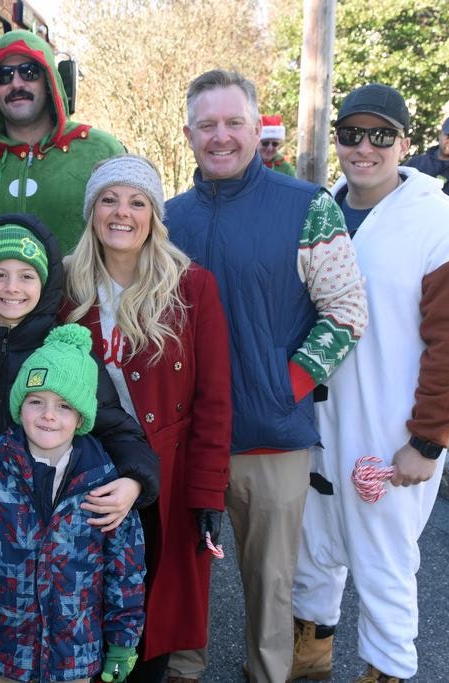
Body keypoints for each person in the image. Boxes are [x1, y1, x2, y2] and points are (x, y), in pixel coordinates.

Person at [164, 70, 368, 683]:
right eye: (207, 125)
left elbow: (347, 313)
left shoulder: (307, 206)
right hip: (186, 433)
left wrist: (288, 385)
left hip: (269, 433)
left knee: (271, 580)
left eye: (233, 123)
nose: (220, 136)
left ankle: (268, 674)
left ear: (257, 128)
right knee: (181, 566)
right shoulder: (168, 218)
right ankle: (180, 667)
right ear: (188, 134)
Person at [290, 84, 449, 683]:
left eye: (381, 135)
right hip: (319, 425)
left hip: (387, 433)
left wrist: (428, 441)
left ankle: (388, 671)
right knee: (313, 555)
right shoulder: (323, 206)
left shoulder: (445, 229)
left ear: (406, 142)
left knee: (383, 567)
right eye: (351, 133)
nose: (364, 148)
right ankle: (309, 663)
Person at [62, 154, 232, 683]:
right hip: (85, 474)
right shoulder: (65, 286)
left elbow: (213, 400)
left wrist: (206, 494)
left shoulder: (191, 287)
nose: (122, 213)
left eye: (137, 202)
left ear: (154, 216)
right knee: (84, 610)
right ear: (92, 212)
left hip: (166, 478)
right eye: (109, 200)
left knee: (150, 619)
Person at [0, 324, 146, 683]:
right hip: (7, 655)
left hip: (76, 659)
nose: (49, 415)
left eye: (64, 406)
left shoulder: (104, 485)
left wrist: (123, 643)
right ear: (20, 406)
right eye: (37, 401)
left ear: (81, 418)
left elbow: (125, 571)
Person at [0, 212, 160, 533]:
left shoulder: (66, 356)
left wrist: (134, 479)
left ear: (44, 282)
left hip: (45, 539)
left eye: (27, 276)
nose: (12, 288)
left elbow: (120, 431)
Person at [0, 29, 125, 254]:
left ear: (49, 81)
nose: (16, 84)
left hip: (81, 290)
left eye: (29, 72)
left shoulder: (101, 151)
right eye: (3, 76)